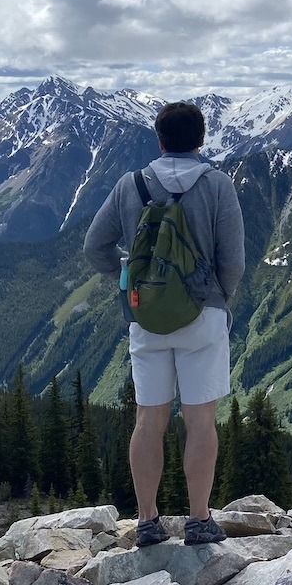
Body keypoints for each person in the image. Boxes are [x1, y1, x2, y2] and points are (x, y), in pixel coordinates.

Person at [84, 101, 245, 546]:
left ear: (158, 140)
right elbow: (233, 261)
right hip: (203, 314)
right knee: (200, 421)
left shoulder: (129, 184)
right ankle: (198, 519)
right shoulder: (217, 185)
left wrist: (131, 270)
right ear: (201, 139)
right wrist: (218, 299)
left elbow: (94, 247)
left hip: (146, 315)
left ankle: (148, 522)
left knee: (147, 421)